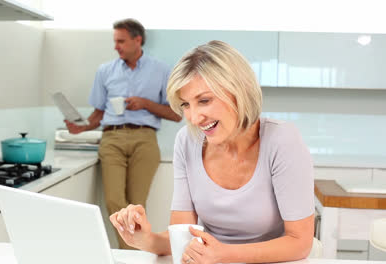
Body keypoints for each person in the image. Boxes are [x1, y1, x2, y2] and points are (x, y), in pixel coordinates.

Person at [109, 40, 315, 263]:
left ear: (239, 91)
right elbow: (181, 236)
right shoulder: (187, 142)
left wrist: (223, 254)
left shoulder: (281, 141)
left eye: (204, 100)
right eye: (186, 105)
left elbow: (300, 242)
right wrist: (144, 240)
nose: (195, 118)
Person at [64, 18, 181, 249]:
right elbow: (98, 114)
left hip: (144, 139)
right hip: (112, 138)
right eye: (115, 41)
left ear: (137, 40)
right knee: (114, 201)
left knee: (137, 204)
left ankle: (130, 255)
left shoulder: (161, 70)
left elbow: (176, 114)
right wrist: (82, 127)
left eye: (121, 41)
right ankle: (135, 255)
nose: (116, 46)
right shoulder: (105, 71)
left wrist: (145, 103)